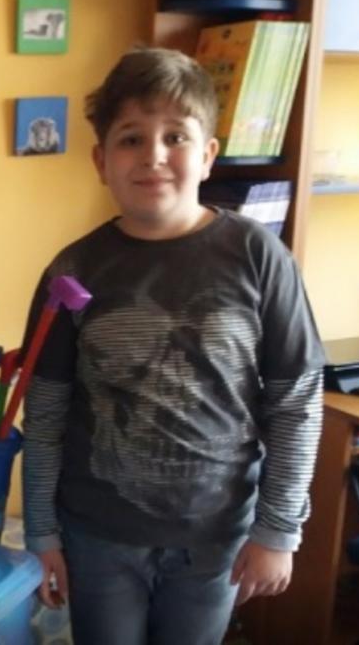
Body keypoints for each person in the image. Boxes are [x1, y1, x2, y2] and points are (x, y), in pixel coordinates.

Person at [20, 46, 325, 645]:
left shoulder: (260, 257)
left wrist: (277, 530)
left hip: (215, 537)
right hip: (97, 536)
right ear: (100, 161)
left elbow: (295, 404)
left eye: (176, 137)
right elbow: (46, 414)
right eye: (131, 139)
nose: (154, 155)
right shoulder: (72, 269)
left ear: (207, 155)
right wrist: (41, 533)